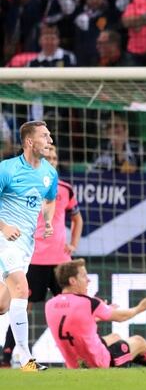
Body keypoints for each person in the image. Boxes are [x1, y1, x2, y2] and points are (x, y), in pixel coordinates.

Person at [1, 146, 81, 367]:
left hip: (60, 262)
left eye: (55, 157)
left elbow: (77, 218)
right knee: (19, 304)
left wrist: (73, 244)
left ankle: (81, 356)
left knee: (74, 307)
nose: (52, 161)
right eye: (49, 157)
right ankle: (7, 354)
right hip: (34, 258)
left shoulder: (64, 188)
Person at [44, 259, 146, 369]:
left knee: (115, 337)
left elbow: (72, 323)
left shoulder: (50, 305)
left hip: (75, 365)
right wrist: (140, 308)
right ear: (72, 281)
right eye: (84, 276)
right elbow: (121, 317)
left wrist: (95, 316)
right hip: (100, 364)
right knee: (139, 341)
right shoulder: (88, 302)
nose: (88, 280)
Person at [0, 121, 57, 371]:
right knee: (22, 289)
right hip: (4, 239)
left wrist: (47, 221)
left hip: (25, 244)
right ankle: (25, 358)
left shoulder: (49, 173)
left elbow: (50, 200)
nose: (50, 140)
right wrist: (4, 227)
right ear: (29, 141)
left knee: (3, 305)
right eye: (45, 136)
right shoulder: (7, 169)